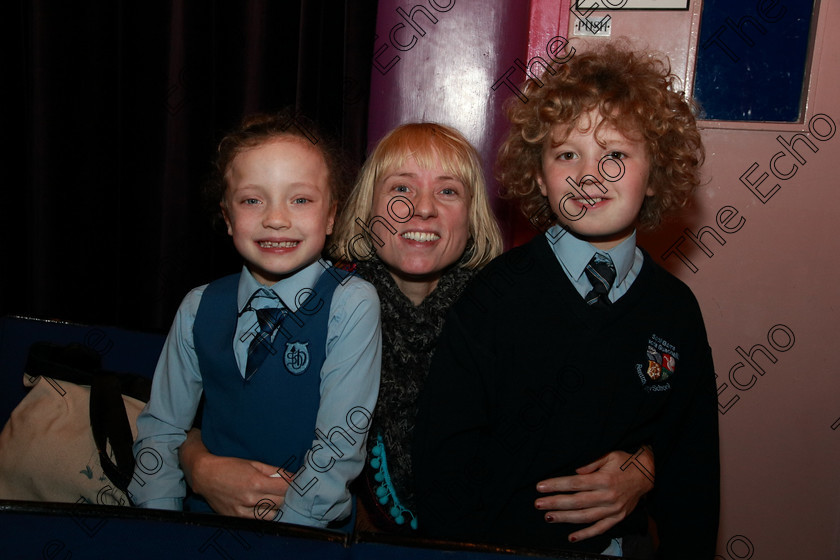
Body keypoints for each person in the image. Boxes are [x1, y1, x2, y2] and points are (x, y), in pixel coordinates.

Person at [177, 122, 656, 544]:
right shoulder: (314, 302)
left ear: (472, 217)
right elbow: (216, 408)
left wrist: (643, 468)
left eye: (448, 191)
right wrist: (196, 462)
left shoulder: (514, 310)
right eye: (401, 189)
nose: (421, 210)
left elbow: (612, 415)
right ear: (366, 207)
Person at [413, 44, 719, 559]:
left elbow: (694, 469)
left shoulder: (676, 310)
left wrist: (648, 467)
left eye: (615, 155)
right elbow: (443, 465)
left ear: (654, 173)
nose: (589, 175)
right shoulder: (492, 298)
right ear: (538, 174)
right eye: (567, 154)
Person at [128, 111, 382, 529]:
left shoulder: (351, 303)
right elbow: (161, 428)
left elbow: (338, 448)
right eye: (252, 200)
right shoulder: (197, 307)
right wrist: (161, 528)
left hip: (307, 536)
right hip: (202, 526)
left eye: (300, 199)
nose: (276, 218)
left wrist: (286, 537)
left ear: (332, 215)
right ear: (227, 217)